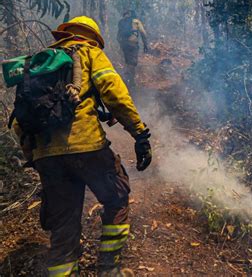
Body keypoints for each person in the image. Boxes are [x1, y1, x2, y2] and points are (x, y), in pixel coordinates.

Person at [13, 16, 152, 277]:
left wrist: (34, 156)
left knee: (63, 225)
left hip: (46, 154)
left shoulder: (42, 62)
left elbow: (20, 119)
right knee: (117, 195)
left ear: (64, 34)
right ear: (93, 37)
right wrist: (140, 134)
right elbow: (115, 94)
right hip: (87, 146)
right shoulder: (89, 52)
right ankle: (108, 268)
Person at [116, 10, 149, 90]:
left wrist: (121, 44)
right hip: (133, 44)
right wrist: (145, 45)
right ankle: (131, 81)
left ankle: (127, 79)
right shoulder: (136, 22)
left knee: (127, 62)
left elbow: (117, 36)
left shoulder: (121, 22)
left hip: (124, 44)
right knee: (133, 63)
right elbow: (143, 33)